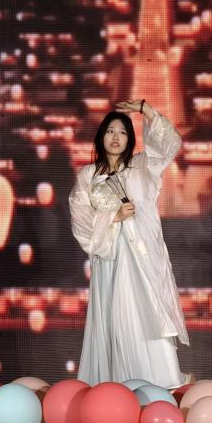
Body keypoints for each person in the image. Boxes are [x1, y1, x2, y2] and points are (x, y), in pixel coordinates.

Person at [69, 99, 188, 388]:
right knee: (113, 319)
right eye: (110, 131)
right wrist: (114, 216)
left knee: (143, 314)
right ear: (101, 136)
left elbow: (170, 145)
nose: (116, 137)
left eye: (122, 132)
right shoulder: (88, 176)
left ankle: (158, 383)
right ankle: (114, 387)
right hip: (109, 257)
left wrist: (146, 109)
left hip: (140, 258)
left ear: (130, 139)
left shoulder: (141, 167)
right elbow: (80, 220)